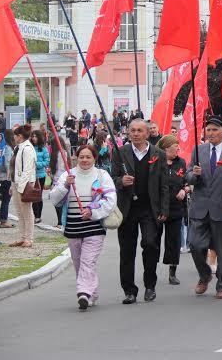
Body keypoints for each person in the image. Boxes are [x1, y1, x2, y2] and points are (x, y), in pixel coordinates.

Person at [49, 144, 117, 310]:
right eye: (81, 157)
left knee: (88, 261)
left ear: (94, 158)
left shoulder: (102, 176)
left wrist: (92, 212)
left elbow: (110, 200)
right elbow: (54, 200)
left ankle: (83, 293)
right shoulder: (68, 175)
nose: (85, 160)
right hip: (73, 228)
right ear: (76, 158)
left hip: (94, 228)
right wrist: (65, 185)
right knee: (79, 263)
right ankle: (91, 293)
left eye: (88, 157)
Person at [112, 119, 169, 304]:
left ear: (147, 133)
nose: (135, 134)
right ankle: (129, 290)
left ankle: (150, 285)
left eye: (139, 131)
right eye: (132, 131)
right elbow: (111, 178)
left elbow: (164, 185)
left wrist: (164, 209)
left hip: (149, 209)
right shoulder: (120, 152)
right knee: (127, 251)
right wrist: (121, 182)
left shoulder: (158, 154)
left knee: (151, 244)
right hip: (127, 209)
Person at [185, 116, 222, 299]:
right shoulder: (198, 150)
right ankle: (205, 274)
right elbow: (189, 175)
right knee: (194, 244)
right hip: (200, 206)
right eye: (208, 130)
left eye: (215, 130)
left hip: (221, 205)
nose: (211, 133)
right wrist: (194, 174)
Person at [157, 135, 188, 286]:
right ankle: (151, 270)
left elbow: (186, 181)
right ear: (166, 148)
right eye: (175, 146)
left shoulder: (181, 162)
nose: (177, 148)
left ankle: (172, 272)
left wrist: (185, 189)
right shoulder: (156, 162)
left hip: (176, 208)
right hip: (158, 208)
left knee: (174, 242)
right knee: (153, 240)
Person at [9, 125, 36, 248]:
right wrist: (12, 185)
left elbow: (27, 170)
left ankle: (29, 238)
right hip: (16, 183)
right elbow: (14, 168)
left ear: (19, 136)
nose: (14, 137)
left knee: (27, 212)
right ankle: (22, 237)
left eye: (15, 135)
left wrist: (21, 187)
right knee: (19, 212)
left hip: (25, 184)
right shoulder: (18, 148)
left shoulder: (27, 149)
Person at [49, 136, 70, 228]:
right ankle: (61, 221)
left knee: (57, 202)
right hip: (63, 179)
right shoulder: (65, 153)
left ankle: (60, 222)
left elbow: (60, 168)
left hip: (58, 180)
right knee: (62, 202)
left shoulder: (58, 154)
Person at [30, 130, 50, 224]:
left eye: (35, 136)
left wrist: (36, 164)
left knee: (38, 196)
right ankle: (34, 215)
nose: (34, 138)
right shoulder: (29, 147)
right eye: (32, 136)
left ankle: (38, 216)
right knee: (33, 196)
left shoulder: (44, 149)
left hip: (41, 175)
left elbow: (47, 162)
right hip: (31, 175)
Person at [0, 130, 15, 228]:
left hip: (2, 177)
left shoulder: (4, 147)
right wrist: (10, 178)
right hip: (6, 178)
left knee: (5, 199)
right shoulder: (8, 148)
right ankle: (4, 220)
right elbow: (8, 164)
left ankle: (3, 219)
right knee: (6, 199)